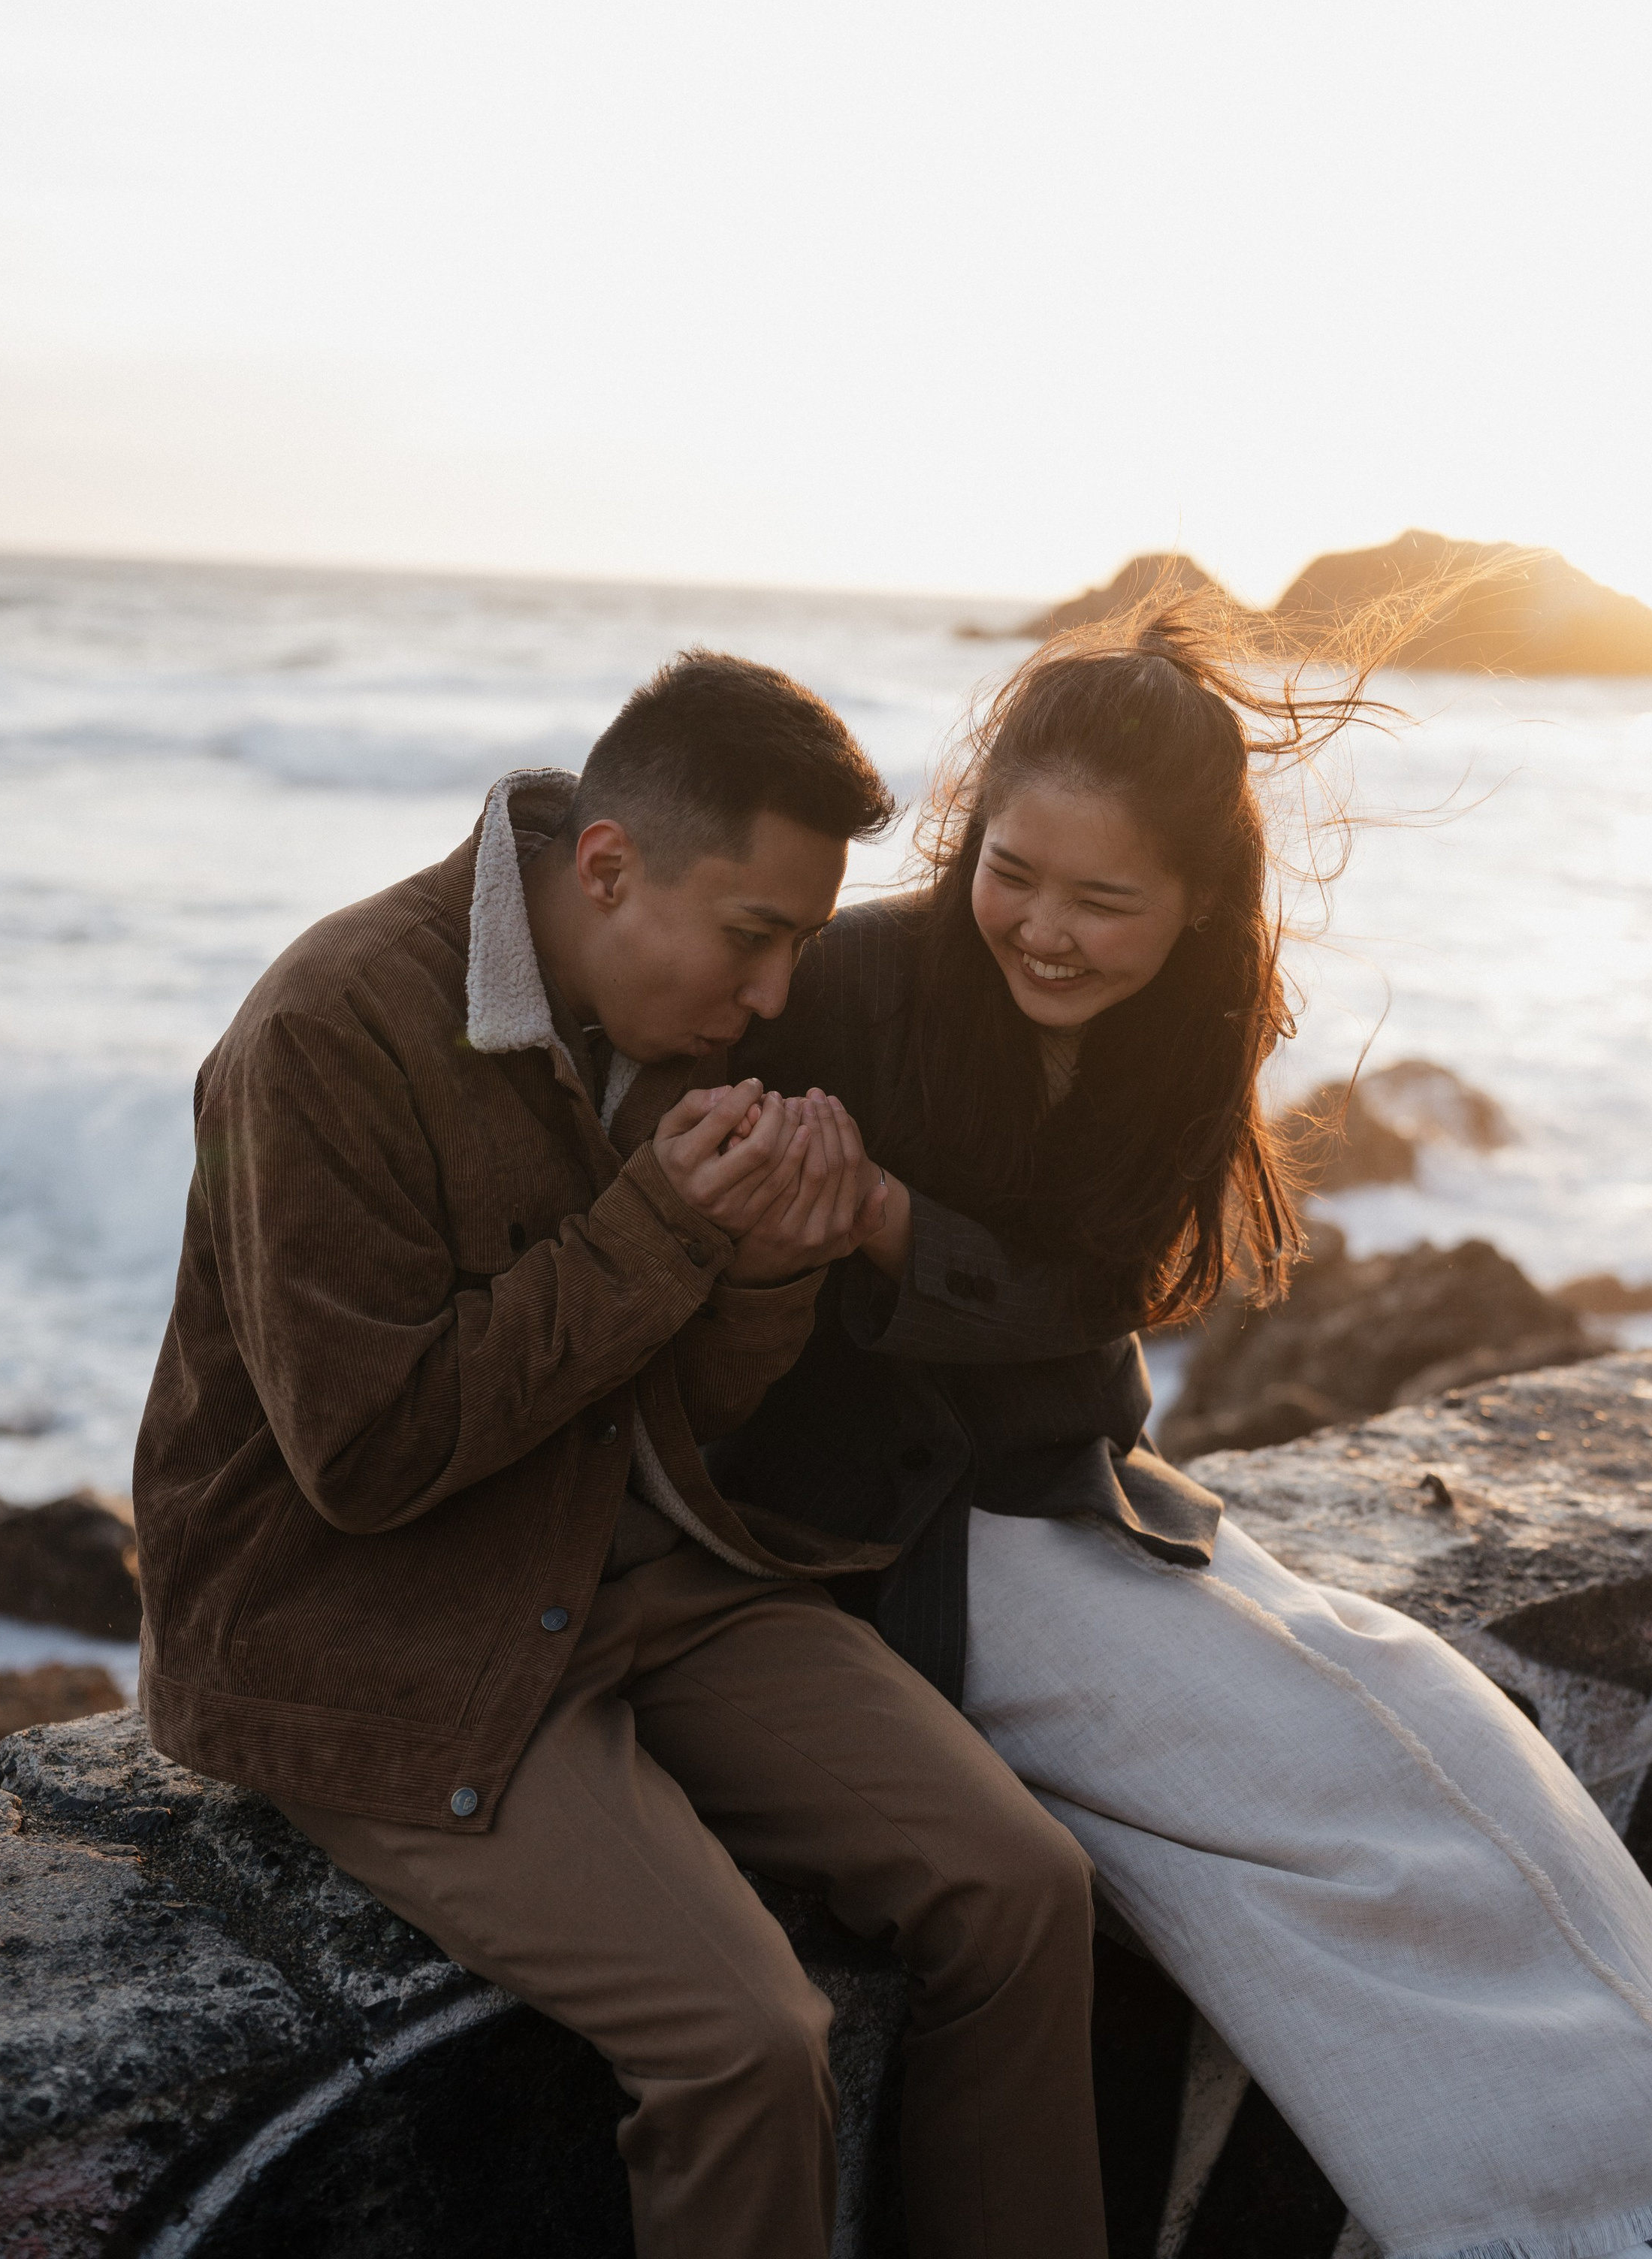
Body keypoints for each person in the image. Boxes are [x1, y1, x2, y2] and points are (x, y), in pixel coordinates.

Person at [708, 603, 1652, 2259]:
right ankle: (1535, 2223)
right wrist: (866, 1227)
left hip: (1073, 1486)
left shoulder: (1194, 1017)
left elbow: (1097, 1301)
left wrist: (893, 1220)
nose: (1039, 930)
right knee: (1307, 1800)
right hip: (878, 1534)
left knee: (1434, 1720)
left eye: (1105, 902)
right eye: (1010, 870)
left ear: (1194, 904)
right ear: (973, 827)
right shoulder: (853, 985)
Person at [133, 650, 1107, 2259]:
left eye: (799, 940)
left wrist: (770, 1261)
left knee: (1021, 1886)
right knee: (743, 2040)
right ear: (606, 867)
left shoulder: (672, 1018)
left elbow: (683, 1408)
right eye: (757, 936)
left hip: (626, 1571)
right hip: (366, 1629)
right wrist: (662, 1226)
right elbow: (367, 1459)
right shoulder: (327, 1029)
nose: (780, 995)